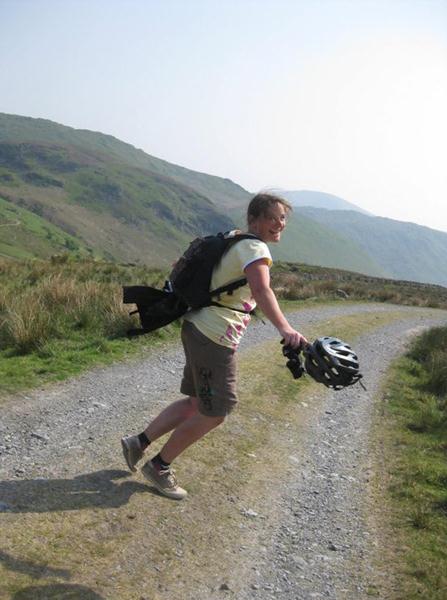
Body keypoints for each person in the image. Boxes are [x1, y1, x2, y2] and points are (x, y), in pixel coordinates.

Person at [121, 192, 307, 499]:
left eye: (283, 218)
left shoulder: (235, 239)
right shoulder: (255, 248)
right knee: (217, 410)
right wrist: (286, 329)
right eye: (272, 218)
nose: (279, 224)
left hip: (198, 326)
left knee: (195, 402)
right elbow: (262, 289)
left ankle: (137, 443)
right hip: (214, 337)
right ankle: (159, 467)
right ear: (254, 219)